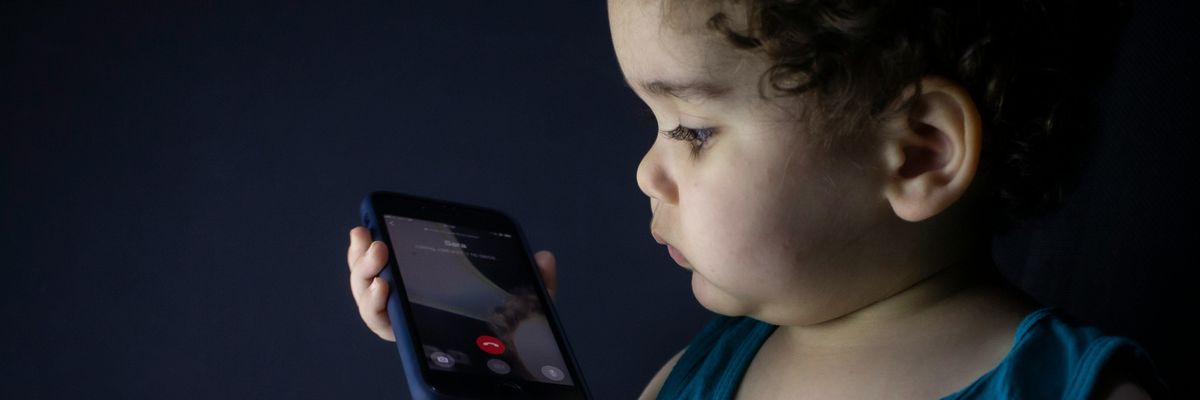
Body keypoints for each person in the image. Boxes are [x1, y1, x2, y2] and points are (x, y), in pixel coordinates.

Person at [347, 0, 1171, 398]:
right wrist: (506, 379)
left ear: (918, 152)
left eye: (692, 129)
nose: (645, 172)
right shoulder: (688, 381)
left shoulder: (1079, 391)